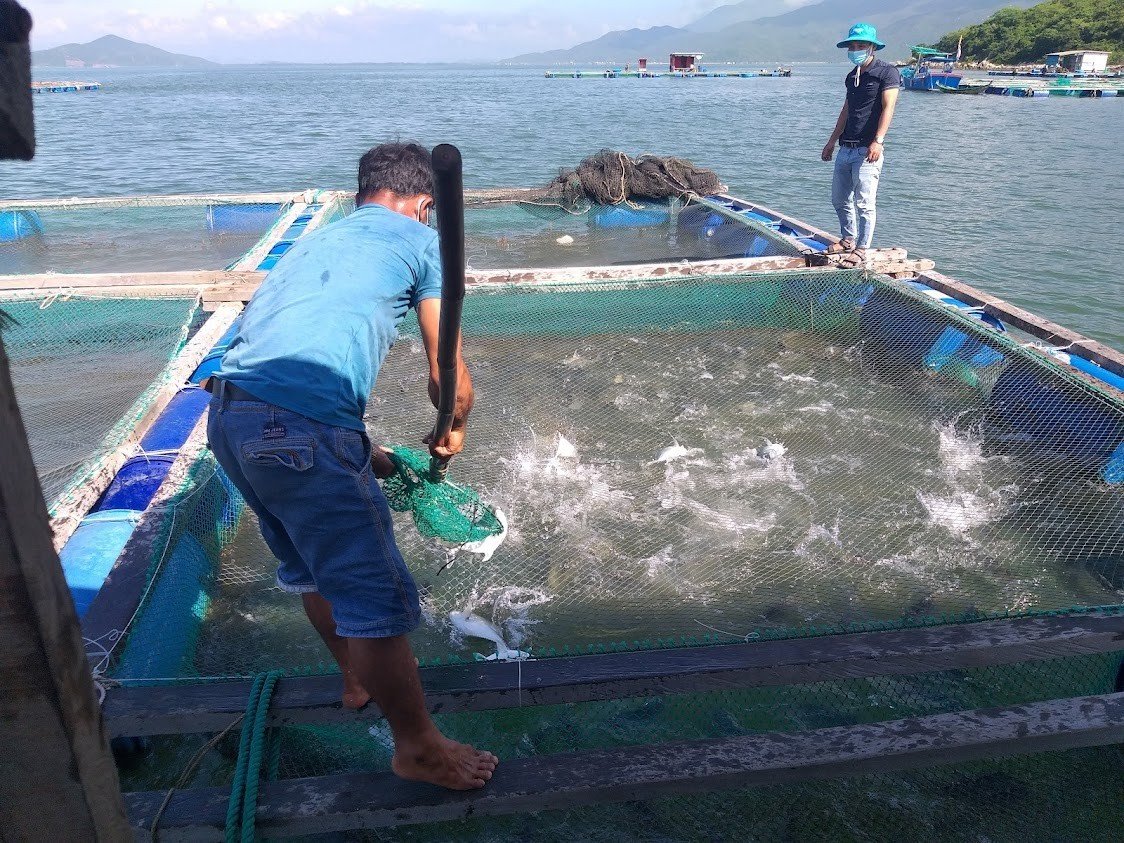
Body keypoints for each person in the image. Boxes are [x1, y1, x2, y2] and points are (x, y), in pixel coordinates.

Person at [206, 142, 498, 791]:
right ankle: (418, 745)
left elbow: (286, 369)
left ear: (363, 193)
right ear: (425, 205)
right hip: (301, 426)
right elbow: (445, 373)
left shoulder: (315, 242)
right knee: (378, 598)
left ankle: (354, 676)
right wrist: (455, 425)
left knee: (312, 567)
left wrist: (376, 454)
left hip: (230, 418)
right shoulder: (424, 244)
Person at [821, 23, 900, 267]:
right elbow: (846, 110)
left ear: (873, 47)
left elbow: (889, 107)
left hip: (868, 150)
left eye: (861, 46)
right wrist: (831, 141)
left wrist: (878, 141)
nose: (856, 50)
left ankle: (862, 248)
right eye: (853, 46)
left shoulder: (887, 73)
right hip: (846, 147)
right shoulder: (852, 76)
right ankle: (848, 240)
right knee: (839, 198)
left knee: (864, 203)